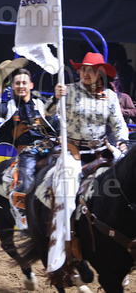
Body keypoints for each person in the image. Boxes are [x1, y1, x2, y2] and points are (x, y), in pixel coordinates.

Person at [47, 52, 128, 275]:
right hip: (74, 152)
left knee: (123, 190)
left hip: (101, 152)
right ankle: (67, 248)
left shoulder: (110, 96)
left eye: (90, 70)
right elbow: (47, 113)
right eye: (83, 69)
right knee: (67, 193)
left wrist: (122, 141)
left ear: (99, 73)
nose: (85, 73)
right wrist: (55, 98)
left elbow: (119, 124)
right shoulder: (68, 90)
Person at [0, 61, 58, 229]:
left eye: (24, 83)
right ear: (12, 86)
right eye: (17, 83)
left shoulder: (41, 104)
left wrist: (57, 98)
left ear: (31, 85)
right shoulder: (9, 107)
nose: (21, 86)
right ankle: (22, 217)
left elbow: (55, 118)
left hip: (51, 147)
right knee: (25, 184)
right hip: (27, 152)